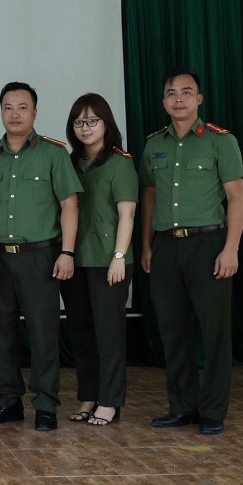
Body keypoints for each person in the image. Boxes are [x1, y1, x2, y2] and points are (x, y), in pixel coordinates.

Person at [140, 69, 243, 435]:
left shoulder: (221, 141)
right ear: (164, 101)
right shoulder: (154, 144)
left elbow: (236, 197)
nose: (179, 99)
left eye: (187, 92)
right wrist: (147, 245)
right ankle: (182, 406)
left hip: (209, 244)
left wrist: (230, 249)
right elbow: (149, 198)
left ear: (199, 99)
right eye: (172, 93)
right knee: (172, 330)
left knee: (214, 332)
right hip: (166, 246)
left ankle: (213, 410)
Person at [0, 82, 82, 432]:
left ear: (34, 112)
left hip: (42, 256)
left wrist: (67, 251)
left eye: (22, 107)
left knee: (44, 332)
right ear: (1, 112)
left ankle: (46, 404)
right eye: (8, 107)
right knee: (0, 332)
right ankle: (6, 402)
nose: (15, 113)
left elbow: (69, 205)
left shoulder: (53, 154)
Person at [61, 94, 137, 427]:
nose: (85, 127)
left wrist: (119, 256)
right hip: (76, 260)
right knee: (81, 332)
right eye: (79, 121)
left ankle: (110, 401)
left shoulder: (120, 162)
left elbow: (128, 213)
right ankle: (89, 396)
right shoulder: (71, 162)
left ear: (106, 123)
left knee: (108, 333)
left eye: (93, 120)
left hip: (109, 260)